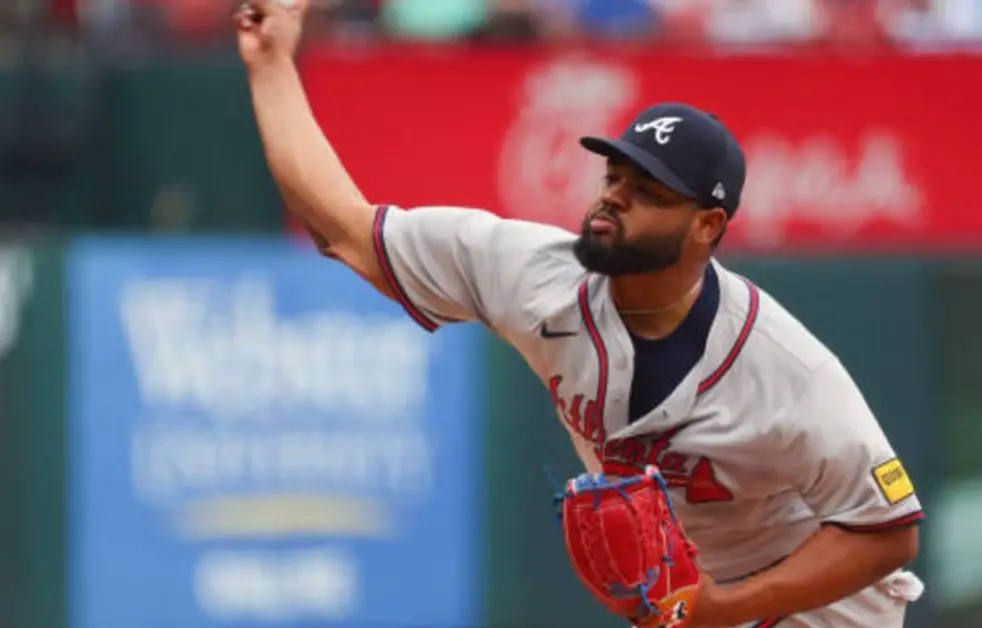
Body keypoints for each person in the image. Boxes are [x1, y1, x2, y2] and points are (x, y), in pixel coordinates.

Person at [233, 1, 925, 625]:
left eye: (647, 190)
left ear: (707, 226)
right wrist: (270, 65)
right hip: (686, 599)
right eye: (613, 176)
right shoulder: (534, 274)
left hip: (813, 610)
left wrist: (721, 611)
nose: (612, 198)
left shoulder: (785, 368)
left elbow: (887, 530)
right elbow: (345, 229)